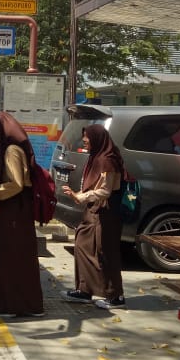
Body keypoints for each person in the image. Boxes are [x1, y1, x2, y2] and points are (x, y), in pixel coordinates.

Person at [0, 112, 44, 319]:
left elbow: (16, 184)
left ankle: (10, 306)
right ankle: (21, 303)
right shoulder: (8, 149)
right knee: (13, 257)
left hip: (15, 210)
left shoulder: (12, 151)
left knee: (11, 257)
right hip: (13, 209)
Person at [61, 124, 126, 309]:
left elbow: (105, 190)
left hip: (106, 211)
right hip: (93, 210)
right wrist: (79, 195)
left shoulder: (107, 160)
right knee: (83, 243)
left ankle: (116, 296)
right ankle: (84, 290)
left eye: (87, 138)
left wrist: (79, 196)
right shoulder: (96, 157)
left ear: (97, 139)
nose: (84, 141)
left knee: (106, 251)